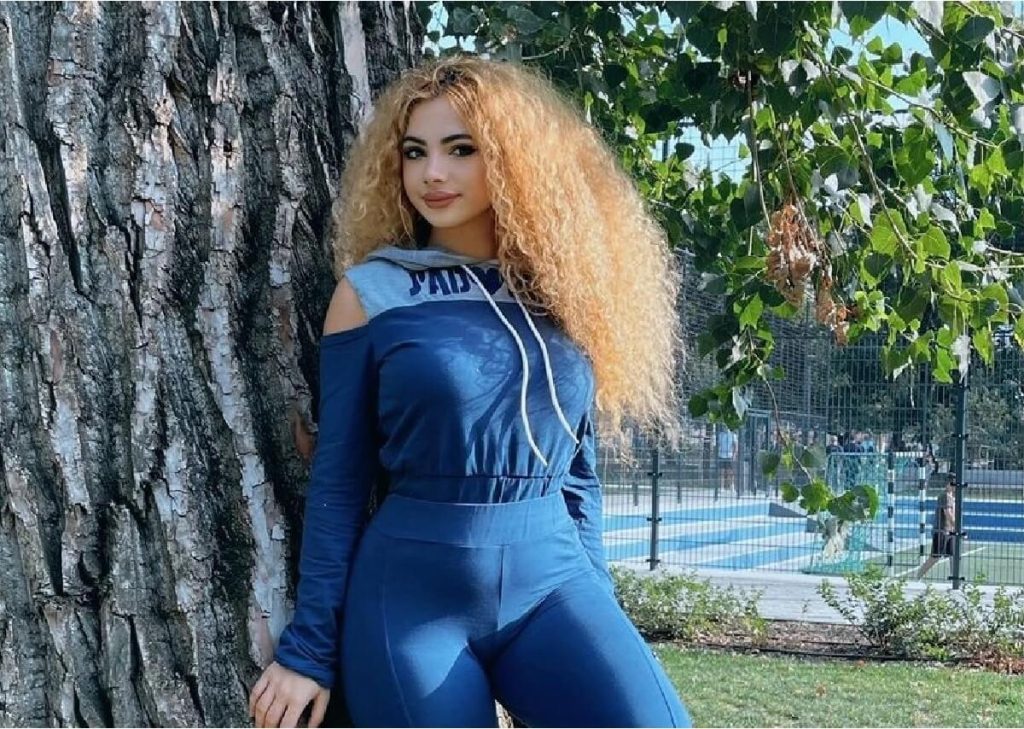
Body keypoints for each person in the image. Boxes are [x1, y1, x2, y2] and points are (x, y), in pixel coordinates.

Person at [247, 57, 691, 728]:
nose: (433, 173)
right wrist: (307, 650)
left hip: (554, 583)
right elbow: (339, 478)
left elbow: (578, 472)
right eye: (415, 152)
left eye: (461, 150)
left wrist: (598, 603)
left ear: (512, 162)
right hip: (413, 602)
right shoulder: (372, 293)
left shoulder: (562, 295)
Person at [916, 477, 957, 579]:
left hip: (950, 531)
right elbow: (948, 513)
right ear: (948, 484)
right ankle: (918, 576)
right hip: (941, 530)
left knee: (953, 555)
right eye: (953, 484)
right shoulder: (945, 496)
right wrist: (956, 526)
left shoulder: (952, 497)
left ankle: (955, 579)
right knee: (935, 557)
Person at [716, 426, 738, 497]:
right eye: (723, 426)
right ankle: (721, 487)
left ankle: (732, 486)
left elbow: (735, 446)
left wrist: (734, 455)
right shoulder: (720, 435)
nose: (724, 427)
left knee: (730, 472)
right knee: (721, 472)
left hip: (729, 456)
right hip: (721, 455)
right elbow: (718, 445)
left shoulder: (733, 435)